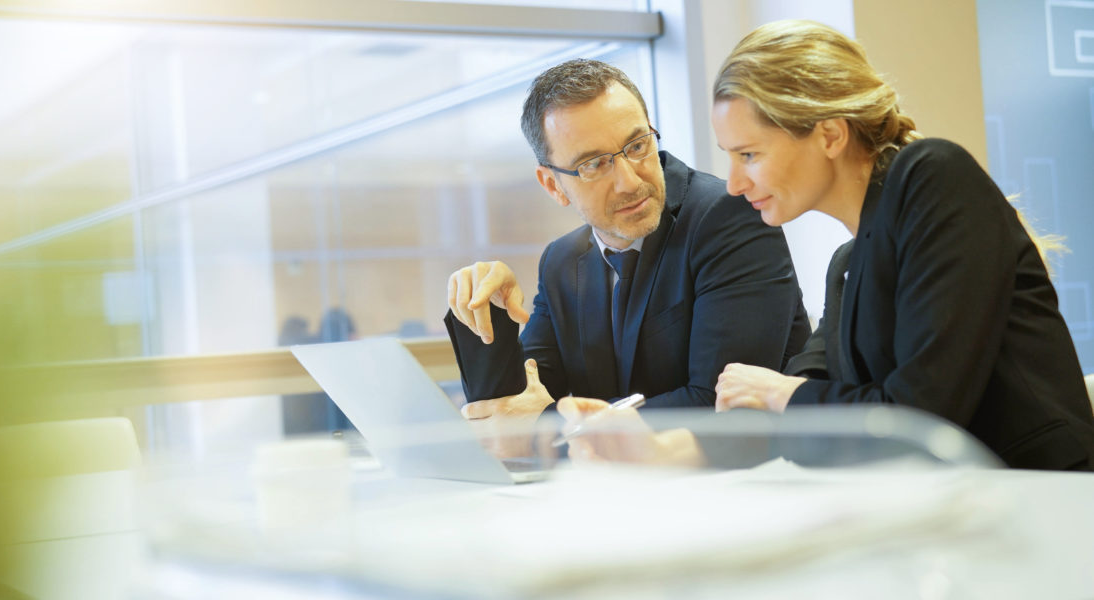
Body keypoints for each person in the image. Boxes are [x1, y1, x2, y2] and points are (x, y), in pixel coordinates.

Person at [560, 20, 1094, 471]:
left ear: (831, 135)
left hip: (1049, 501)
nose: (735, 183)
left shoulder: (934, 176)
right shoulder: (847, 264)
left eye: (749, 155)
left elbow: (921, 416)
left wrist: (778, 392)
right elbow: (796, 412)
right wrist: (651, 449)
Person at [445, 59, 812, 456]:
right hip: (621, 486)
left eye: (637, 146)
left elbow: (716, 404)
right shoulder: (561, 262)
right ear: (553, 185)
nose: (630, 181)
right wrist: (487, 311)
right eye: (593, 164)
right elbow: (514, 407)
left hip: (744, 481)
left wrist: (545, 427)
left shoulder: (729, 216)